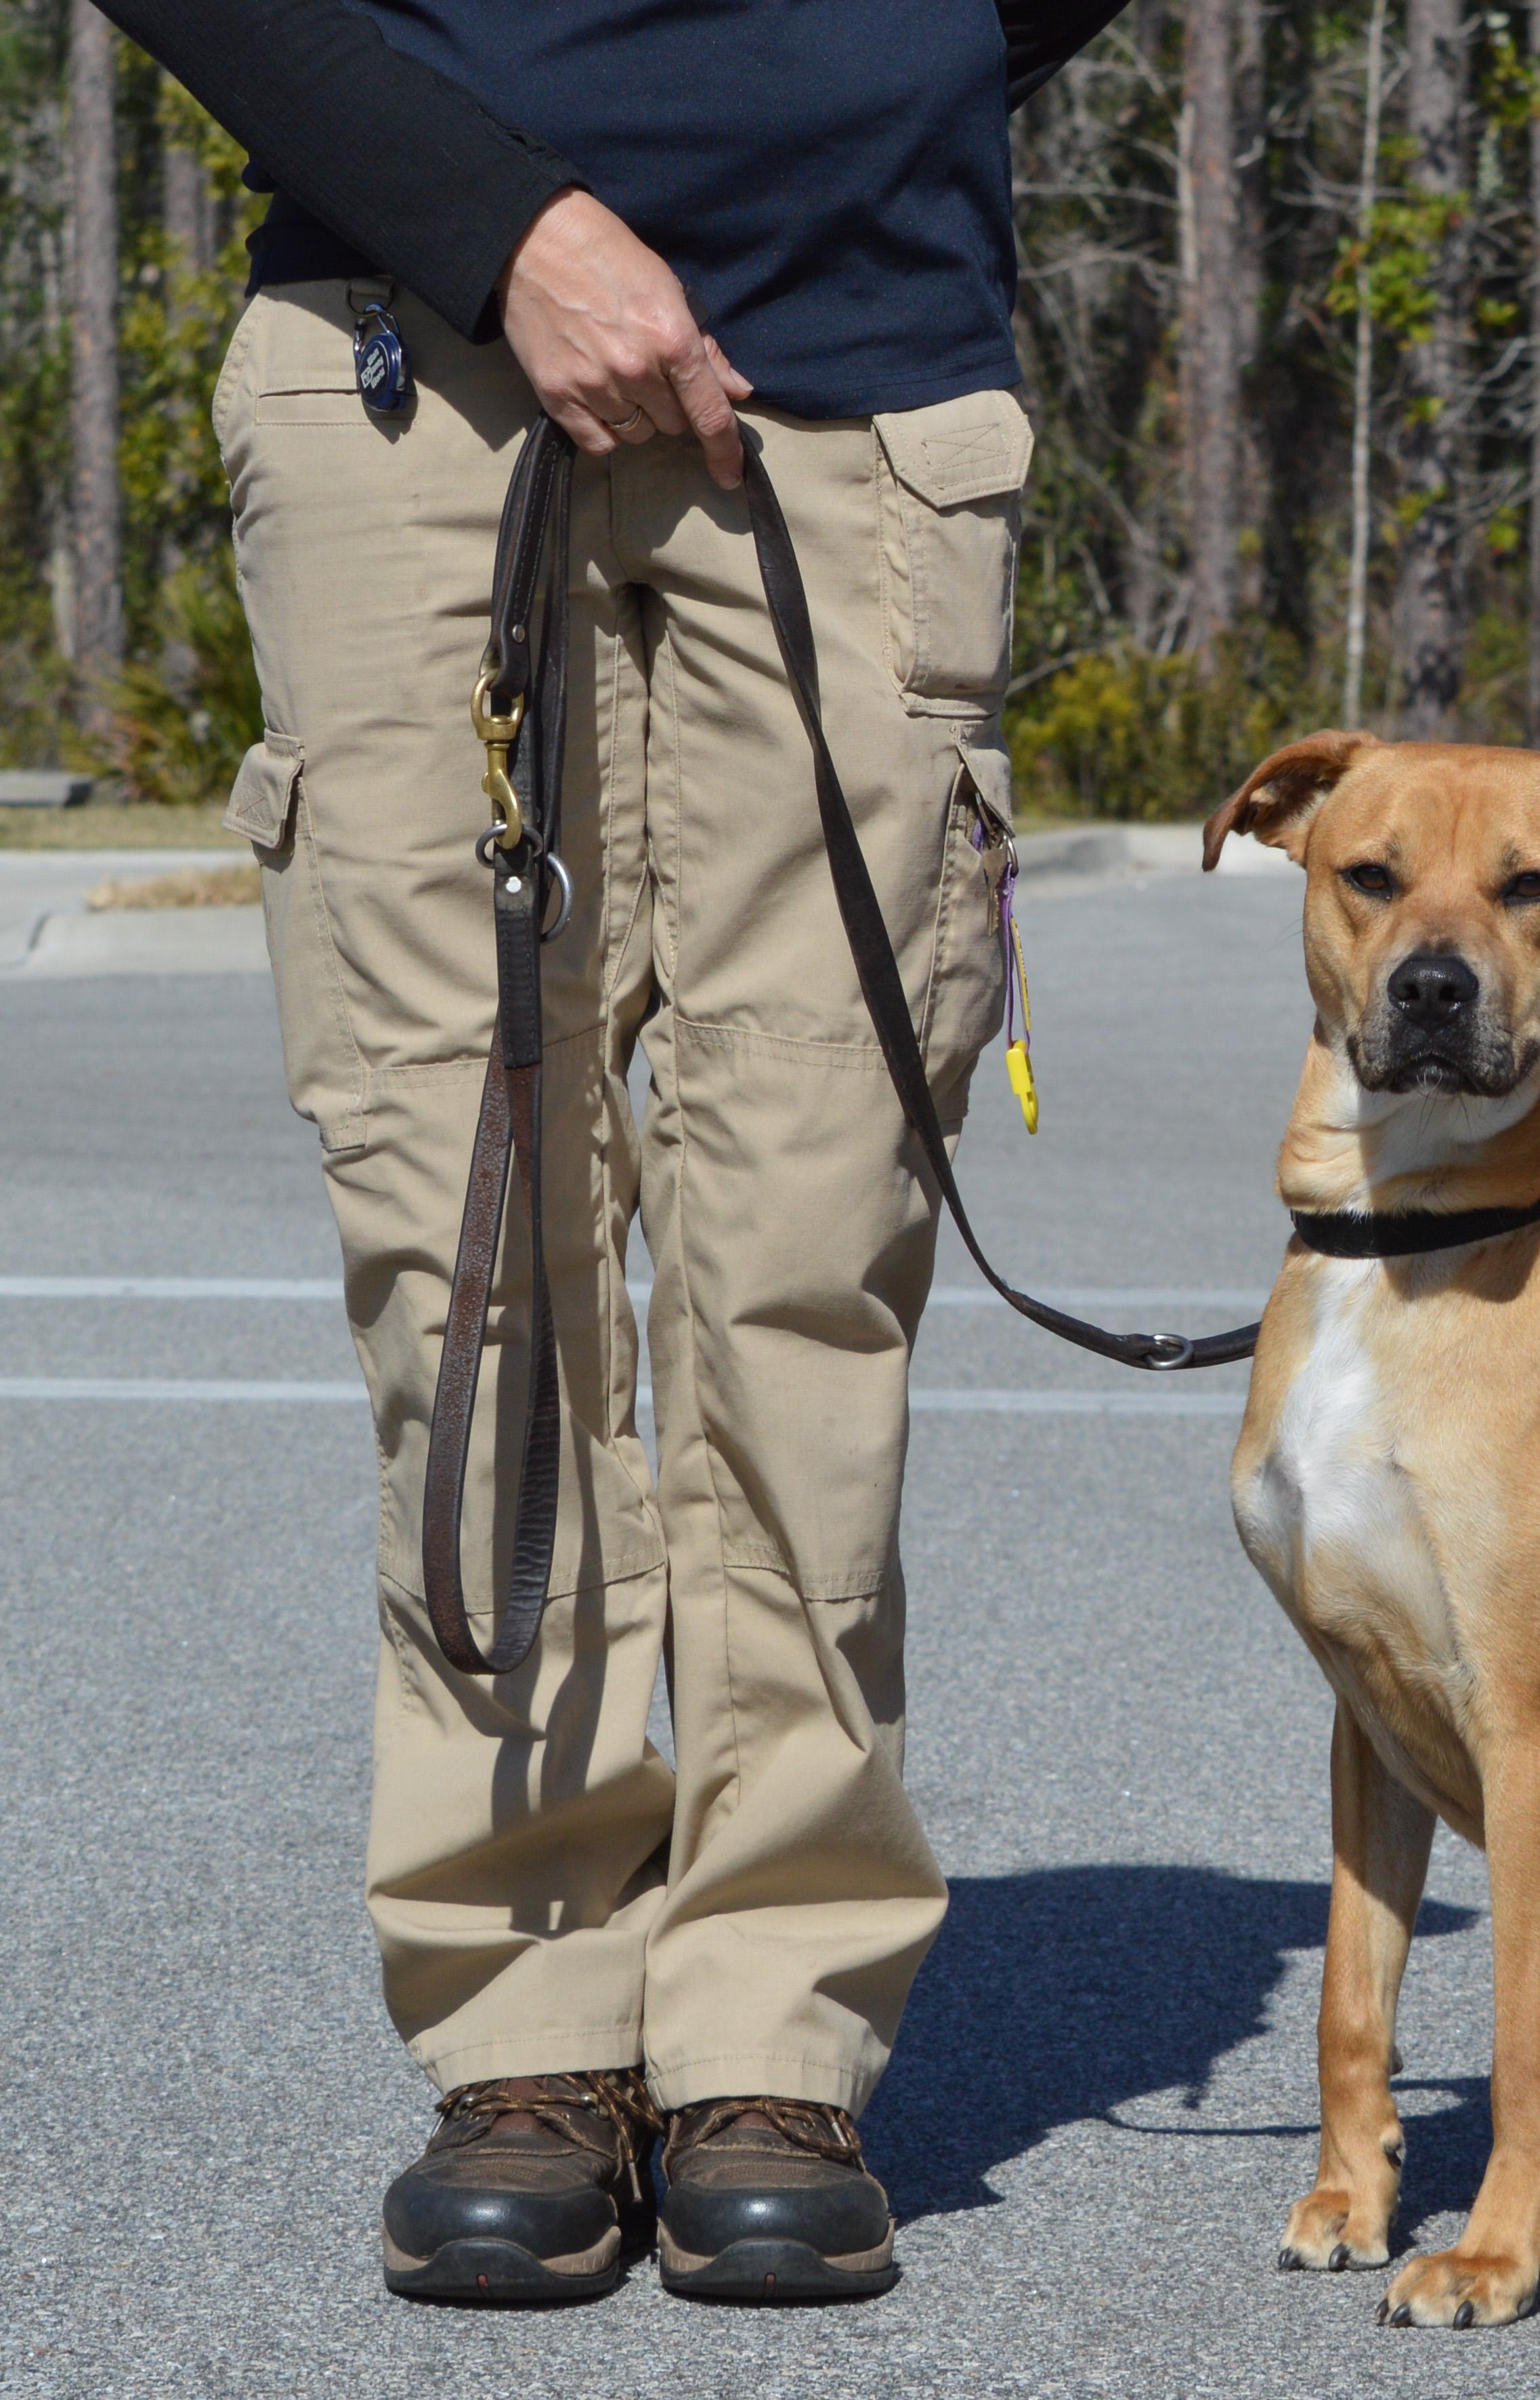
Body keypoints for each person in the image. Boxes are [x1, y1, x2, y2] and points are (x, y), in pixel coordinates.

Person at [112, 0, 1130, 2306]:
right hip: (415, 379)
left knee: (804, 1237)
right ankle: (533, 2013)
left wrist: (884, 68)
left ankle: (771, 2022)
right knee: (467, 1244)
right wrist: (508, 221)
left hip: (859, 396)